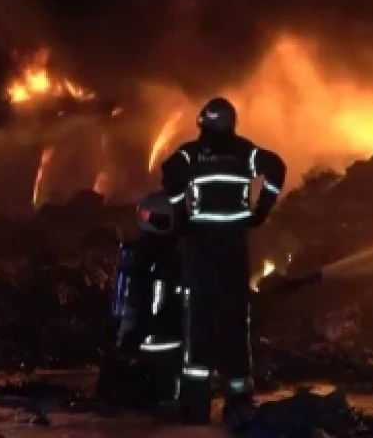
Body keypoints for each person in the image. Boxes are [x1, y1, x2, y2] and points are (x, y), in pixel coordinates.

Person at [160, 97, 286, 429]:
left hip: (201, 250)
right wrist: (262, 209)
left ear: (202, 123)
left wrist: (181, 213)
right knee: (234, 323)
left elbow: (169, 173)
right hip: (233, 250)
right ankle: (238, 402)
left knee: (198, 324)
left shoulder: (191, 154)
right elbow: (277, 168)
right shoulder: (245, 152)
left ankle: (195, 406)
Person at [101, 191, 185, 408]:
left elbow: (132, 302)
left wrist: (125, 340)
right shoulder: (179, 253)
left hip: (150, 347)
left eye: (145, 215)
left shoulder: (143, 256)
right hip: (174, 348)